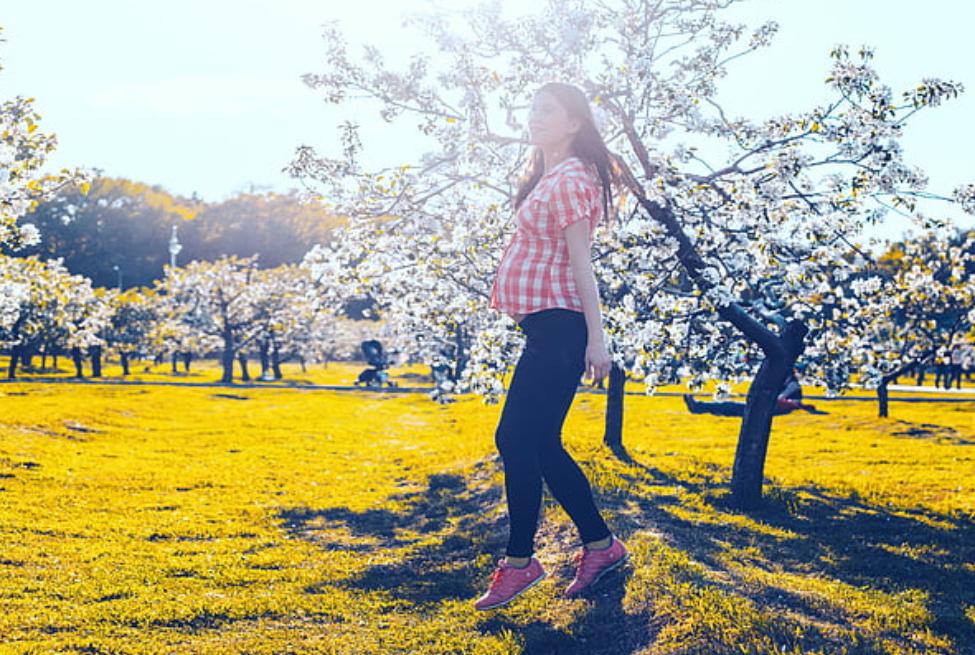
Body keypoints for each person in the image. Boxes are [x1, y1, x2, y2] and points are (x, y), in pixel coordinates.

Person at [473, 82, 629, 611]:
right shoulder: (548, 175)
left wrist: (597, 338)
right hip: (546, 328)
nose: (535, 116)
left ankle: (520, 563)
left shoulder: (568, 179)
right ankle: (601, 546)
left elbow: (583, 265)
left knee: (515, 438)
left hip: (562, 328)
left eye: (547, 110)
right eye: (532, 107)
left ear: (574, 123)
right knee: (538, 444)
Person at [682, 367, 827, 417]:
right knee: (729, 407)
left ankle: (699, 407)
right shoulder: (788, 383)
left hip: (770, 408)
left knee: (729, 407)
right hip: (767, 406)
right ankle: (700, 407)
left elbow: (788, 400)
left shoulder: (792, 385)